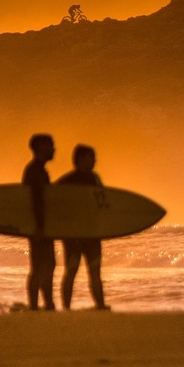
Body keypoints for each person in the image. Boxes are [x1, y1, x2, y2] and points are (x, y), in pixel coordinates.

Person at [58, 144, 109, 310]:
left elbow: (103, 204)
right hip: (74, 236)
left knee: (94, 272)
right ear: (80, 159)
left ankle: (100, 305)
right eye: (91, 157)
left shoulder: (94, 178)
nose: (95, 161)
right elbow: (55, 205)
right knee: (72, 271)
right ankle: (66, 307)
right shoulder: (67, 182)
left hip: (91, 234)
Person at [22, 133, 57, 310]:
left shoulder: (38, 170)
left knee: (45, 264)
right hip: (38, 226)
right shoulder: (35, 171)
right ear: (41, 148)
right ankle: (37, 305)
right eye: (50, 145)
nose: (54, 149)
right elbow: (36, 201)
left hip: (39, 225)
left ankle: (44, 303)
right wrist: (40, 227)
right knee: (42, 265)